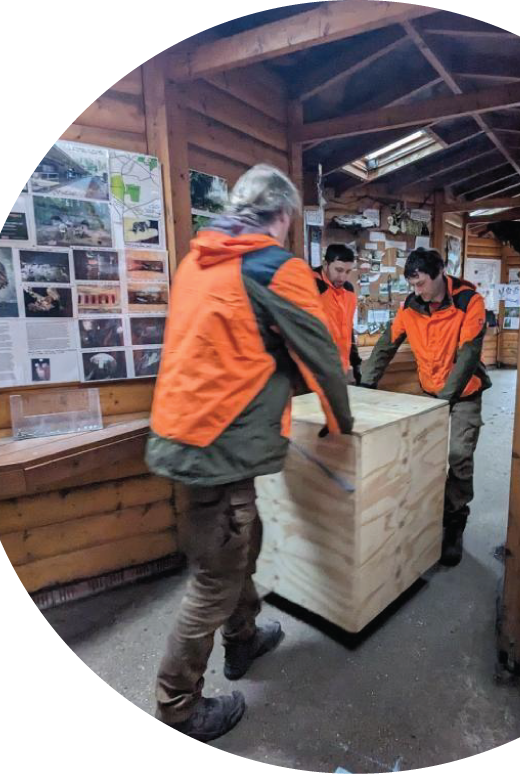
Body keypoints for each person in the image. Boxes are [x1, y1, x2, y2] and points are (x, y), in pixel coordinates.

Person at [146, 164, 353, 743]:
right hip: (220, 443)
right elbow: (321, 355)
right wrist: (341, 423)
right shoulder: (275, 267)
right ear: (283, 215)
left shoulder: (197, 261)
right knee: (215, 578)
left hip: (182, 434)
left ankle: (243, 638)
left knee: (245, 538)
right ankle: (178, 708)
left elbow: (231, 345)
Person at [361, 247, 490, 567]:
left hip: (463, 395)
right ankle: (428, 515)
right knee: (423, 457)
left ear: (439, 273)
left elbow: (468, 355)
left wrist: (446, 400)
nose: (416, 291)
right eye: (412, 285)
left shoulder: (468, 302)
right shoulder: (411, 306)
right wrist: (364, 386)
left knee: (458, 456)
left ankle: (455, 521)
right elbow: (386, 344)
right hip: (429, 394)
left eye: (420, 284)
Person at [313, 244, 362, 384]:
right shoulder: (310, 286)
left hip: (340, 369)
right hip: (313, 371)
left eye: (348, 271)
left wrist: (356, 363)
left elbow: (348, 329)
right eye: (339, 270)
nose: (343, 277)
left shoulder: (349, 290)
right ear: (325, 264)